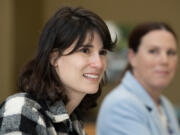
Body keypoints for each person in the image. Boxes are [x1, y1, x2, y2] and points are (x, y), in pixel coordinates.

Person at [0, 7, 115, 135]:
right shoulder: (22, 110)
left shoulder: (74, 122)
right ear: (54, 58)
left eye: (102, 52)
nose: (99, 64)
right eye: (85, 50)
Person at [97, 22, 180, 135]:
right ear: (132, 57)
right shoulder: (120, 105)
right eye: (153, 51)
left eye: (170, 52)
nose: (164, 60)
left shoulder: (166, 105)